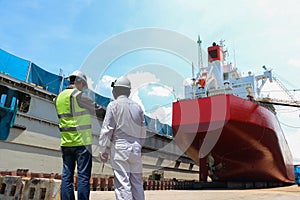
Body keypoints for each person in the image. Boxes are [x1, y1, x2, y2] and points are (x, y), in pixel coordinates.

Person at [55, 70, 106, 200]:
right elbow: (98, 110)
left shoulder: (59, 97)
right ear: (80, 82)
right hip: (82, 143)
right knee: (83, 176)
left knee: (67, 176)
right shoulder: (78, 96)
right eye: (83, 86)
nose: (83, 89)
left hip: (66, 142)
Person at [98, 76, 146, 200]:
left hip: (120, 147)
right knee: (137, 183)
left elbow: (107, 129)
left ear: (115, 91)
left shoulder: (113, 105)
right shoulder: (137, 107)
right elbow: (142, 131)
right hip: (135, 148)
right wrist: (138, 146)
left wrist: (103, 149)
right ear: (128, 91)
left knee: (122, 184)